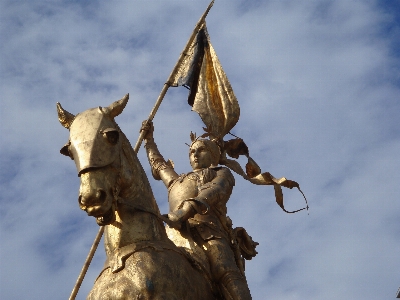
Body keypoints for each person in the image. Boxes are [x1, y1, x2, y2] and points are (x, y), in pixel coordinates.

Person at [142, 121, 252, 300]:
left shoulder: (221, 172)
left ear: (213, 155)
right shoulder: (177, 181)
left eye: (201, 150)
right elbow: (158, 165)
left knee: (224, 269)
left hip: (209, 233)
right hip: (174, 233)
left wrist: (186, 210)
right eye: (191, 152)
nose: (195, 154)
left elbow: (216, 190)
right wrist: (149, 141)